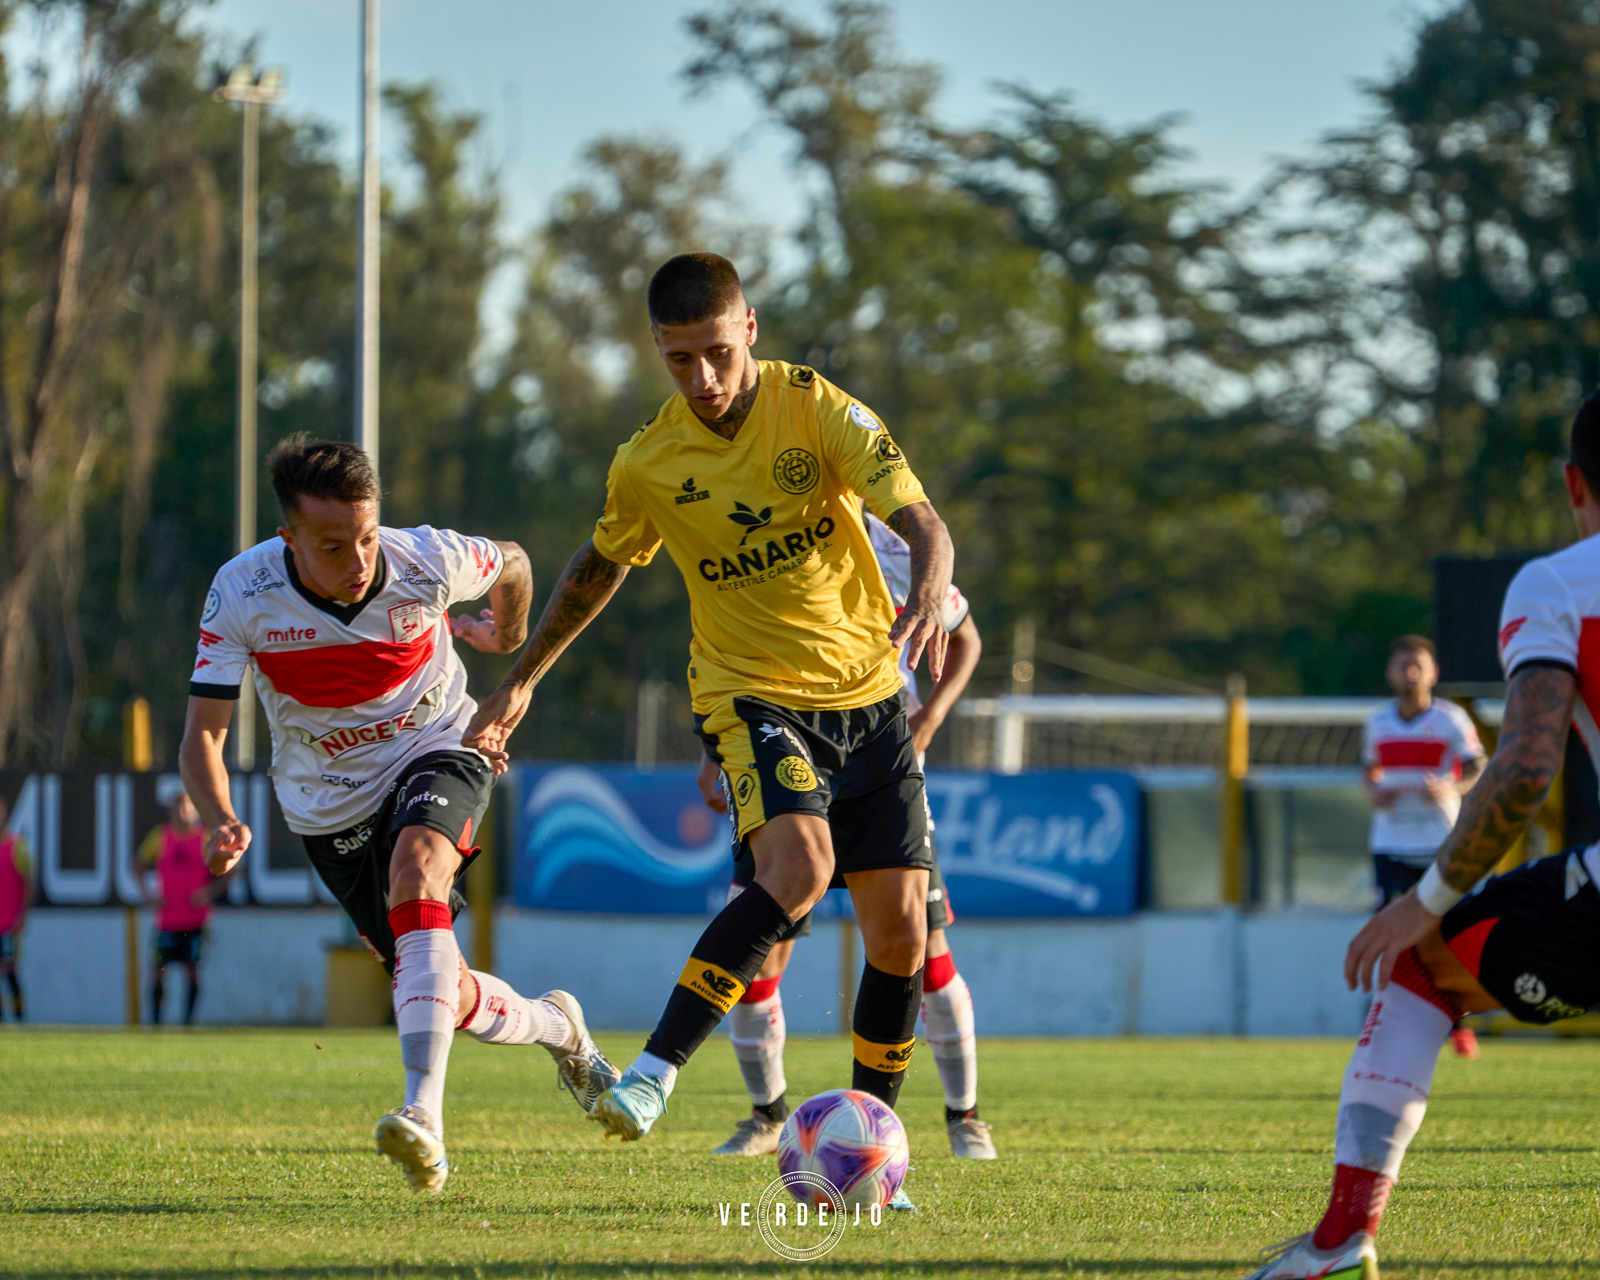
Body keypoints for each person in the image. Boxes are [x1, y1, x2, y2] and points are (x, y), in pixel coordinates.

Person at [463, 253, 956, 1212]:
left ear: (751, 332)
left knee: (898, 937)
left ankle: (863, 1150)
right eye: (680, 361)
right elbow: (596, 570)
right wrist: (521, 680)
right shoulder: (649, 461)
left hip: (870, 700)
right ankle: (654, 1071)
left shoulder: (818, 410)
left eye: (718, 355)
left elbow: (921, 518)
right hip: (749, 695)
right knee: (801, 871)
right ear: (659, 349)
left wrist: (932, 583)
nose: (704, 380)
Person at [180, 434, 617, 1194]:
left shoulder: (427, 560)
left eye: (367, 536)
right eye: (332, 545)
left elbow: (511, 560)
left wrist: (506, 636)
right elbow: (203, 737)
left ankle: (423, 1117)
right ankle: (560, 1028)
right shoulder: (241, 592)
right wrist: (219, 814)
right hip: (326, 803)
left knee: (418, 870)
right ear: (288, 540)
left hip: (441, 742)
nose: (358, 561)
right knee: (440, 987)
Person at [1239, 390, 1600, 1279]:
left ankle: (1342, 1234)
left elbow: (1520, 769)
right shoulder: (1383, 723)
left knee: (1415, 965)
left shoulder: (1559, 584)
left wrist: (1428, 903)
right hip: (1404, 837)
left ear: (1573, 484)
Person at [704, 507, 995, 1159]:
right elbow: (726, 650)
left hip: (879, 774)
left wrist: (930, 719)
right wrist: (714, 750)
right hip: (787, 768)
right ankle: (766, 1116)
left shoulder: (893, 547)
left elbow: (965, 635)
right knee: (754, 958)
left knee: (924, 957)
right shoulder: (763, 540)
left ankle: (964, 1117)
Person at [1360, 635, 1486, 1058]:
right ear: (1390, 672)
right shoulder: (1377, 722)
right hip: (1391, 843)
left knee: (1447, 936)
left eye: (1417, 665)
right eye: (1402, 665)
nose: (1409, 673)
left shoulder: (1451, 719)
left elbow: (1477, 766)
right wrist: (1373, 789)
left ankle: (1457, 1025)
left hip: (1438, 845)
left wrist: (1452, 785)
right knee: (1391, 936)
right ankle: (1384, 1023)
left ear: (1433, 673)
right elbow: (1368, 771)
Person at [138, 782, 223, 1026]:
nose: (182, 812)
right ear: (170, 811)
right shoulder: (160, 837)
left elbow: (233, 870)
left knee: (192, 971)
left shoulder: (205, 838)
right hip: (166, 920)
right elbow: (138, 865)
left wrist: (210, 891)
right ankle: (155, 1022)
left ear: (195, 811)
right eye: (177, 807)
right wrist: (148, 893)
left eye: (186, 807)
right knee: (157, 971)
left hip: (195, 920)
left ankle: (187, 1023)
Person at [0, 793, 32, 1022]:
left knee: (10, 970)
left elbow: (29, 882)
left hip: (9, 922)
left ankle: (20, 1018)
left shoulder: (16, 846)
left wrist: (23, 914)